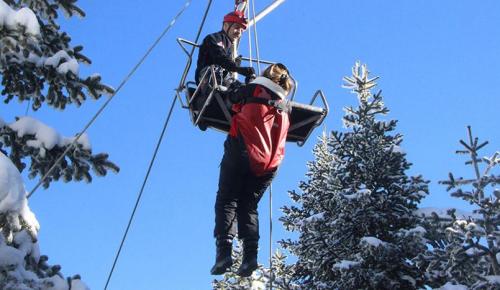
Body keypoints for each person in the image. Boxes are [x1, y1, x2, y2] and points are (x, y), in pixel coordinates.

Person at [211, 63, 293, 277]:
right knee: (248, 205)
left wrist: (235, 82)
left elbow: (231, 97)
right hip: (270, 163)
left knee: (227, 199)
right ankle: (250, 258)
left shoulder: (253, 89)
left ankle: (224, 253)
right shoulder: (286, 104)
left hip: (244, 150)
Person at [195, 11, 255, 86]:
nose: (239, 32)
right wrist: (237, 68)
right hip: (209, 79)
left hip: (224, 80)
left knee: (248, 89)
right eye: (236, 28)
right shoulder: (214, 38)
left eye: (242, 30)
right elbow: (220, 57)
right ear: (226, 26)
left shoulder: (229, 48)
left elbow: (225, 62)